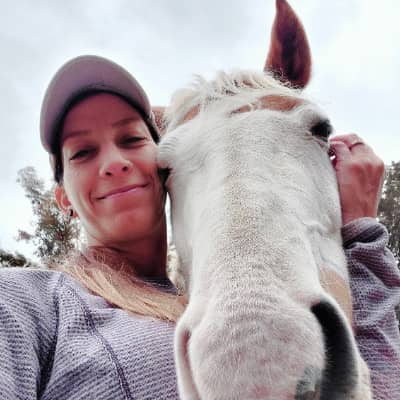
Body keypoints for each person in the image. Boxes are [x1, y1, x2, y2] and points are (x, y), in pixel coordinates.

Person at [0, 55, 398, 399]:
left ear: (160, 166)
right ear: (64, 199)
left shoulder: (208, 306)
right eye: (83, 152)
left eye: (131, 139)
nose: (114, 163)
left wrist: (361, 233)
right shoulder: (28, 302)